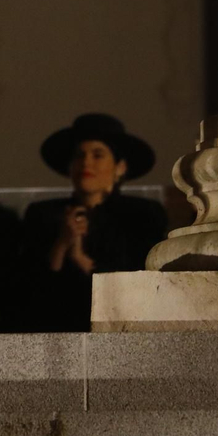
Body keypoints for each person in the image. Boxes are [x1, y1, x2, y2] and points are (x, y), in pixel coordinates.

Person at [18, 113, 168, 332]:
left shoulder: (142, 214)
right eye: (79, 155)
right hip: (55, 329)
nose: (86, 162)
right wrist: (63, 242)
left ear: (120, 167)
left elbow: (143, 282)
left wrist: (81, 258)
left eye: (98, 155)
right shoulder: (42, 214)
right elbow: (29, 285)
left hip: (122, 329)